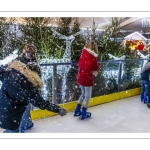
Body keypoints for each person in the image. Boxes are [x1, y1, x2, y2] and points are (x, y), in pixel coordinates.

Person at [0, 59, 67, 133]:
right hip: (12, 119)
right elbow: (41, 103)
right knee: (13, 131)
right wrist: (57, 109)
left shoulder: (10, 74)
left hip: (2, 113)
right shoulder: (30, 89)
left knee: (9, 129)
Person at [16, 44, 40, 133]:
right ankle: (21, 127)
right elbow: (37, 76)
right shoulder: (32, 62)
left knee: (25, 107)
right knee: (26, 107)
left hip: (20, 87)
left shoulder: (19, 59)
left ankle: (28, 123)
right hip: (26, 88)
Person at [74, 41, 99, 120]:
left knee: (83, 93)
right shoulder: (93, 57)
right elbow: (96, 68)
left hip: (80, 76)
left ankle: (77, 109)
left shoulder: (83, 53)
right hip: (87, 78)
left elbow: (80, 64)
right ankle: (84, 111)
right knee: (87, 95)